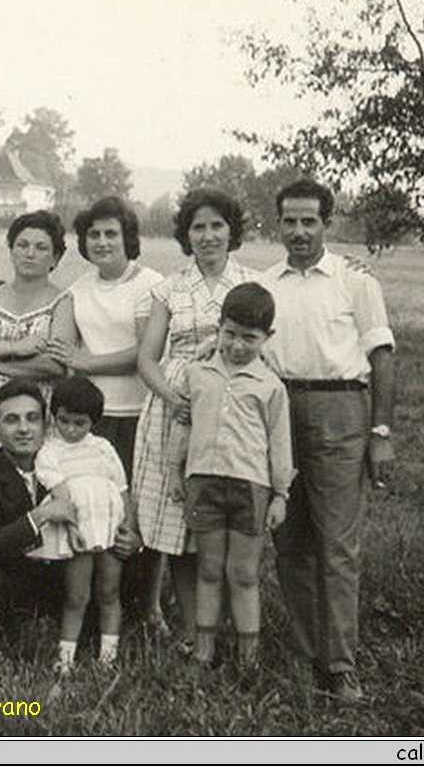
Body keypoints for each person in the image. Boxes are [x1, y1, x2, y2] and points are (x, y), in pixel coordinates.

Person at [260, 179, 395, 703]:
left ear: (326, 224)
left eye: (308, 221)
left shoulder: (354, 279)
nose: (298, 231)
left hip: (341, 408)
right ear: (278, 224)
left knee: (337, 544)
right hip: (279, 409)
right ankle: (304, 650)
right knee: (289, 539)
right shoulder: (265, 282)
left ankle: (340, 665)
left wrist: (380, 432)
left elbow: (382, 357)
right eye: (289, 221)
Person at [132, 188, 259, 649]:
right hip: (174, 408)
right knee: (180, 526)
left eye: (216, 226)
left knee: (223, 521)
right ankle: (192, 630)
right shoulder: (169, 288)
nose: (208, 236)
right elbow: (147, 358)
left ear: (231, 231)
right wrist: (172, 397)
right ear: (187, 235)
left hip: (230, 409)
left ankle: (230, 628)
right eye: (198, 227)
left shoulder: (251, 284)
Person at [176, 283, 293, 670]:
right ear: (218, 327)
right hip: (203, 482)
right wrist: (179, 471)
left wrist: (280, 494)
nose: (238, 345)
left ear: (267, 338)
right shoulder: (197, 373)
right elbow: (183, 426)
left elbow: (279, 443)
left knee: (242, 573)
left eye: (250, 337)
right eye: (229, 334)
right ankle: (204, 651)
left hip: (250, 487)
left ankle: (249, 659)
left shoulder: (270, 386)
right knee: (209, 569)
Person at [29, 376, 136, 674]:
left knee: (109, 590)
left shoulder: (103, 448)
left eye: (80, 423)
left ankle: (108, 657)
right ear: (54, 417)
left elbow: (122, 489)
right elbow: (61, 494)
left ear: (93, 422)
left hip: (109, 526)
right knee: (77, 595)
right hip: (76, 528)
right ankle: (65, 659)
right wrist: (74, 527)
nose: (71, 430)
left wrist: (125, 526)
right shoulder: (50, 452)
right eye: (64, 421)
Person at [53, 196, 164, 479]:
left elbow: (146, 353)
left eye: (110, 234)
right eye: (94, 235)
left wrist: (90, 364)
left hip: (137, 411)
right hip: (92, 415)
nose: (102, 242)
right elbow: (66, 350)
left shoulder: (151, 284)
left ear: (127, 237)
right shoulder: (78, 288)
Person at [0, 210, 73, 465]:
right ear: (11, 250)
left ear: (55, 257)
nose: (30, 253)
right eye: (22, 245)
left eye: (41, 247)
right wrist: (16, 347)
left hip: (33, 425)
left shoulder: (62, 302)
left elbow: (54, 364)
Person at [0, 378, 77, 621]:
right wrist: (41, 515)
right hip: (16, 575)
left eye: (32, 418)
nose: (24, 429)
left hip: (68, 568)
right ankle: (4, 635)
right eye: (12, 420)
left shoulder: (68, 461)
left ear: (46, 425)